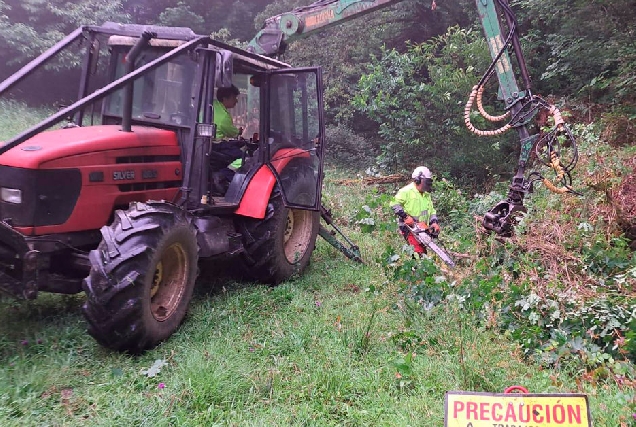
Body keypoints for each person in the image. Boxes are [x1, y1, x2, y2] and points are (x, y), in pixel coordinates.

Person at [389, 166, 441, 256]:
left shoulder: (426, 194)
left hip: (423, 227)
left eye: (428, 182)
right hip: (409, 227)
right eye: (426, 182)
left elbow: (432, 210)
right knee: (418, 252)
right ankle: (417, 267)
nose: (427, 185)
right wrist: (405, 216)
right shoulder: (406, 191)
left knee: (423, 251)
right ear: (418, 180)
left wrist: (434, 222)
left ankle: (419, 266)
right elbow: (393, 203)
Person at [211, 85, 245, 194]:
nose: (236, 101)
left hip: (208, 142)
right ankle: (225, 173)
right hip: (218, 145)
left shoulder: (213, 105)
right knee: (245, 158)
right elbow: (232, 133)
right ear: (225, 99)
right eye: (234, 97)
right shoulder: (224, 117)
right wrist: (239, 132)